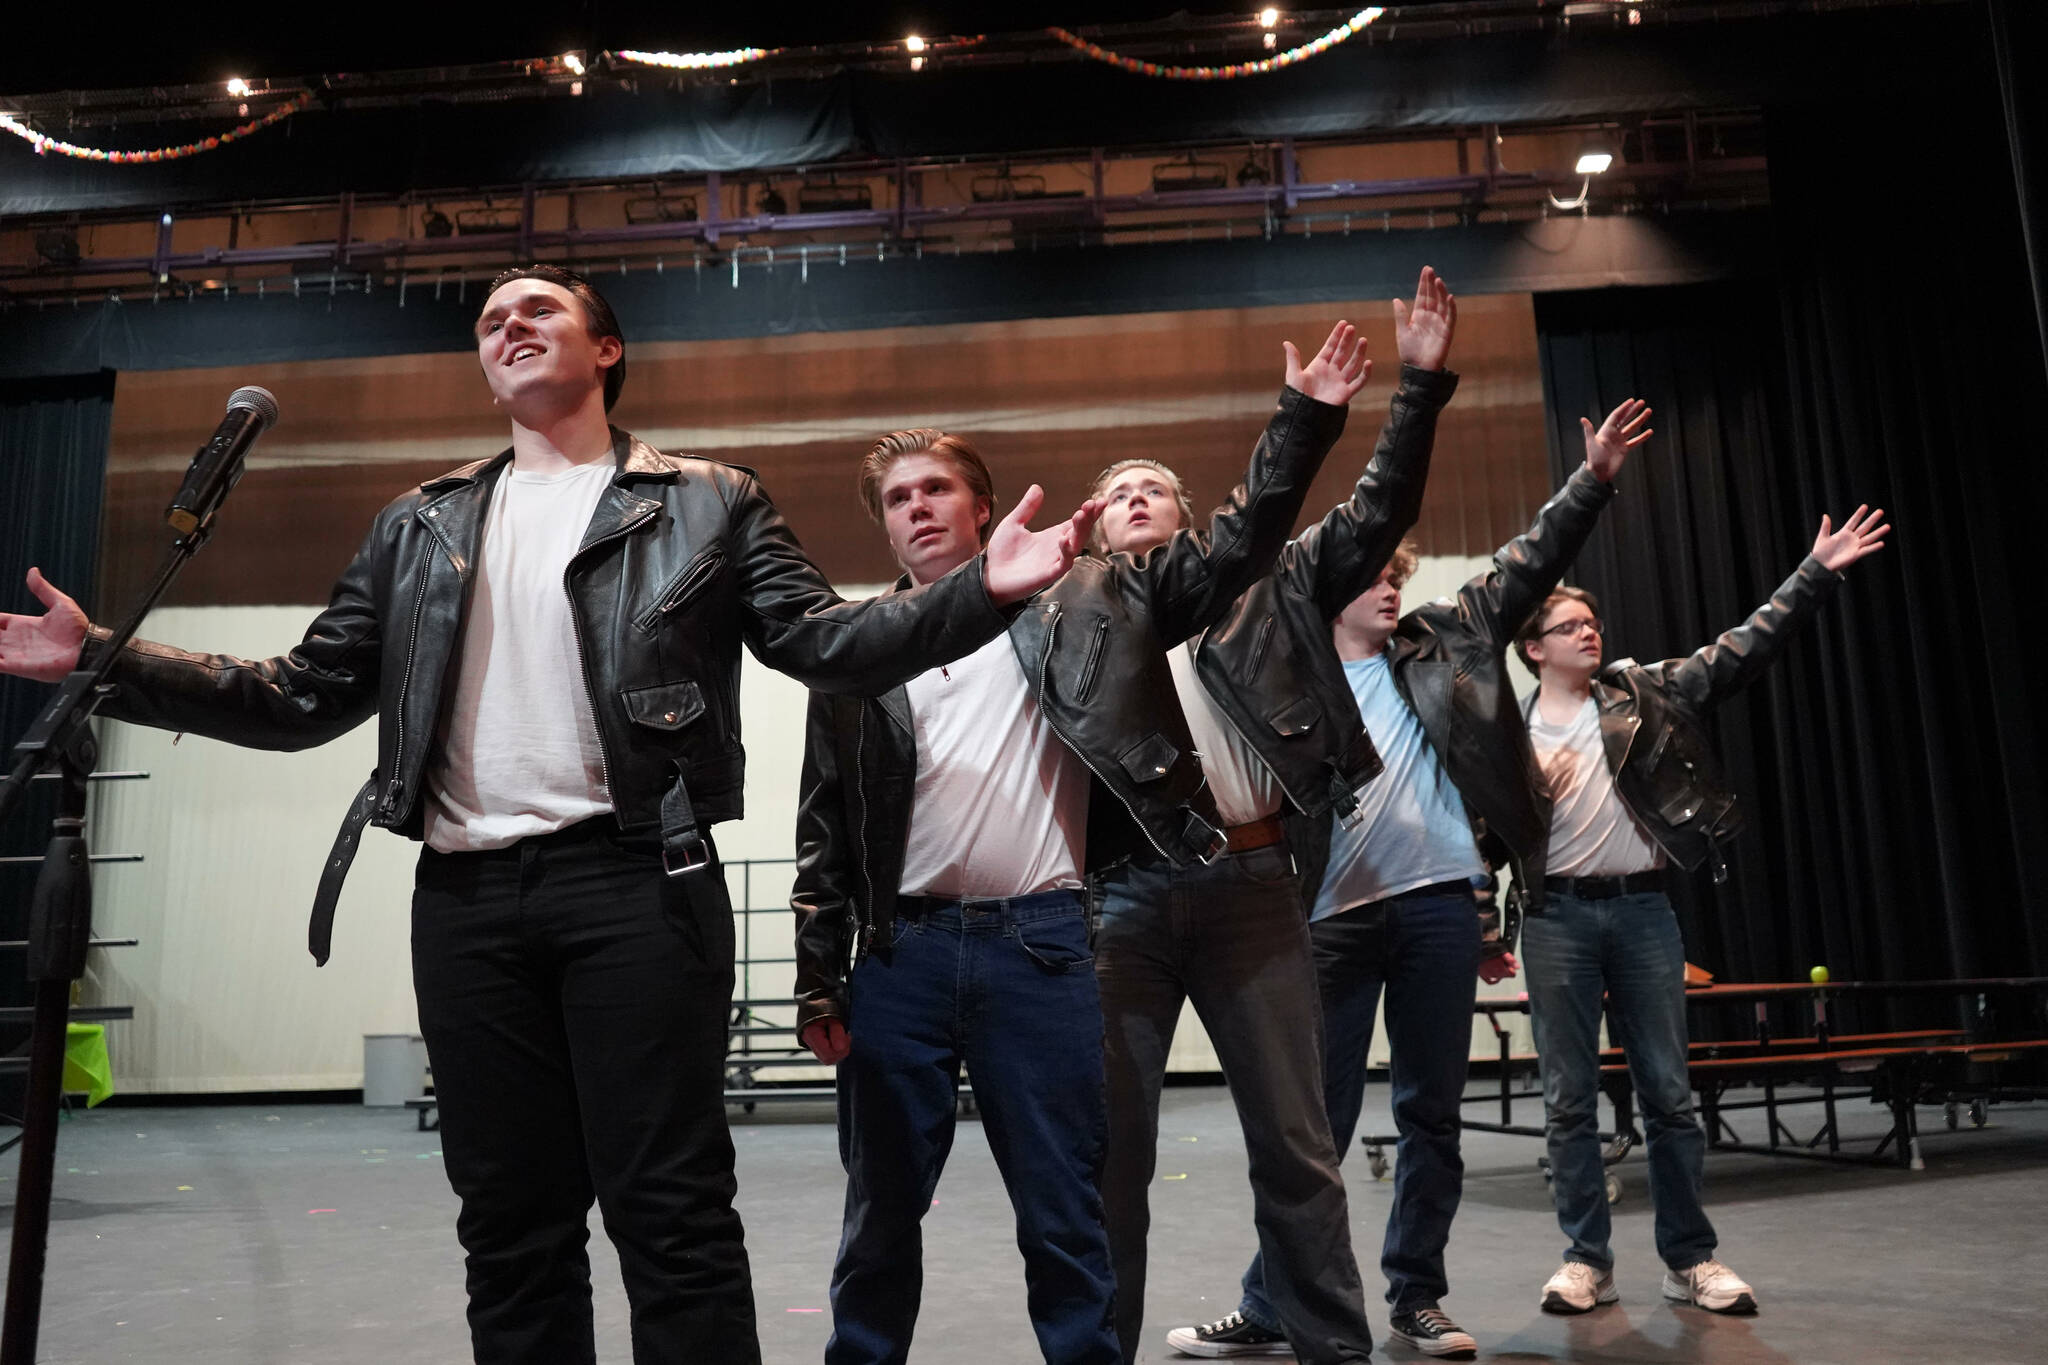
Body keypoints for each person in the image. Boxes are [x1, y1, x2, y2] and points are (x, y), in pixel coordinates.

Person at [0, 264, 1100, 1365]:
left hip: (640, 885)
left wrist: (979, 596)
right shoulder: (417, 525)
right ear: (485, 372)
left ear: (605, 350)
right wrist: (104, 659)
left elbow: (822, 644)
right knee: (509, 1228)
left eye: (538, 311)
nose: (508, 327)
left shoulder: (708, 500)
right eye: (489, 322)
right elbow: (300, 696)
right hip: (467, 901)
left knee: (669, 1214)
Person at [791, 322, 1372, 1365]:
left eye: (935, 490)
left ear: (980, 507)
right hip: (899, 957)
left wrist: (1304, 419)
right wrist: (815, 983)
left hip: (1045, 945)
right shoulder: (857, 647)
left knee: (1067, 1217)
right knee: (877, 1222)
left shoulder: (1089, 602)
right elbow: (821, 831)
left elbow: (1238, 542)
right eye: (896, 498)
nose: (916, 509)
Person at [1183, 398, 1649, 1360]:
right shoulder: (1290, 673)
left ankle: (1417, 1296)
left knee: (1432, 1114)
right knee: (1313, 1126)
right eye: (1374, 577)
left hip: (1438, 908)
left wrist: (1592, 478)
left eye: (1397, 576)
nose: (1391, 589)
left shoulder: (1447, 645)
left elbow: (1528, 561)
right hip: (1329, 917)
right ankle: (1274, 1300)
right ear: (1333, 589)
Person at [1084, 268, 1461, 1365]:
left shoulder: (1272, 585)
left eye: (1157, 485)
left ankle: (1332, 1352)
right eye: (1119, 491)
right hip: (1123, 900)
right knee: (1109, 1153)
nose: (1140, 494)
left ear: (1190, 513)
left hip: (1253, 890)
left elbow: (1378, 508)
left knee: (1297, 1149)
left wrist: (1419, 387)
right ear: (1094, 524)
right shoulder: (1074, 622)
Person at [1512, 502, 1890, 1317]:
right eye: (1571, 626)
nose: (1590, 633)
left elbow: (1742, 648)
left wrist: (1814, 572)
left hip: (1644, 910)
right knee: (1569, 1100)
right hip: (1556, 920)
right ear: (1533, 647)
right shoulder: (1508, 732)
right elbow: (1481, 831)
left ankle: (1690, 1257)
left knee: (1669, 1093)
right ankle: (1586, 1260)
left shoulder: (1645, 693)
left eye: (1593, 622)